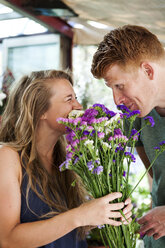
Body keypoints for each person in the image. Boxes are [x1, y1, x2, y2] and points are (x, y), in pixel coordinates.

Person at [0, 69, 132, 248]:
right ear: (40, 111)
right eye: (69, 99)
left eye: (76, 97)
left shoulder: (68, 159)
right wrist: (80, 215)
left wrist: (104, 212)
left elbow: (66, 228)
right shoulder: (8, 157)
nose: (78, 106)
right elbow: (7, 239)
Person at [91, 24, 165, 248]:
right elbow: (155, 175)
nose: (116, 100)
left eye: (120, 85)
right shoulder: (136, 114)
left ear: (148, 71)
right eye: (111, 88)